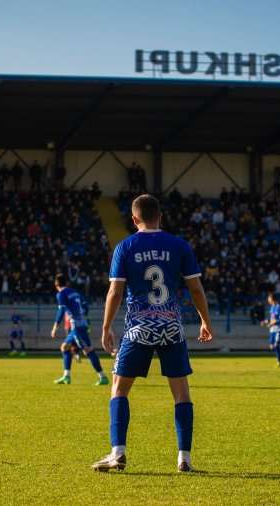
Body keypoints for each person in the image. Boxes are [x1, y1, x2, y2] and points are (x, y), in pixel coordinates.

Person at [92, 194, 213, 473]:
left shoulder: (125, 246)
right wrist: (205, 320)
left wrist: (106, 326)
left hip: (139, 329)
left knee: (119, 389)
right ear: (161, 215)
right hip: (171, 326)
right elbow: (195, 289)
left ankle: (117, 453)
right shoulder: (179, 245)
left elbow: (115, 291)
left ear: (134, 219)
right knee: (181, 393)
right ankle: (184, 458)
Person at [51, 274, 108, 385]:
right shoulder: (74, 292)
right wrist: (82, 316)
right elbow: (85, 306)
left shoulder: (61, 294)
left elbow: (61, 311)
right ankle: (66, 376)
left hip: (77, 326)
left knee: (88, 350)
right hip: (80, 324)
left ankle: (103, 377)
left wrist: (55, 327)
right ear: (66, 283)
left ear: (56, 284)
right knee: (65, 347)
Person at [260, 292, 280, 367]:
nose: (268, 300)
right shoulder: (272, 307)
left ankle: (279, 362)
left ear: (272, 299)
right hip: (272, 330)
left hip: (278, 329)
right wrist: (265, 321)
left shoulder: (279, 307)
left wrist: (273, 323)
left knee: (276, 345)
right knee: (272, 347)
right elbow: (271, 318)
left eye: (268, 298)